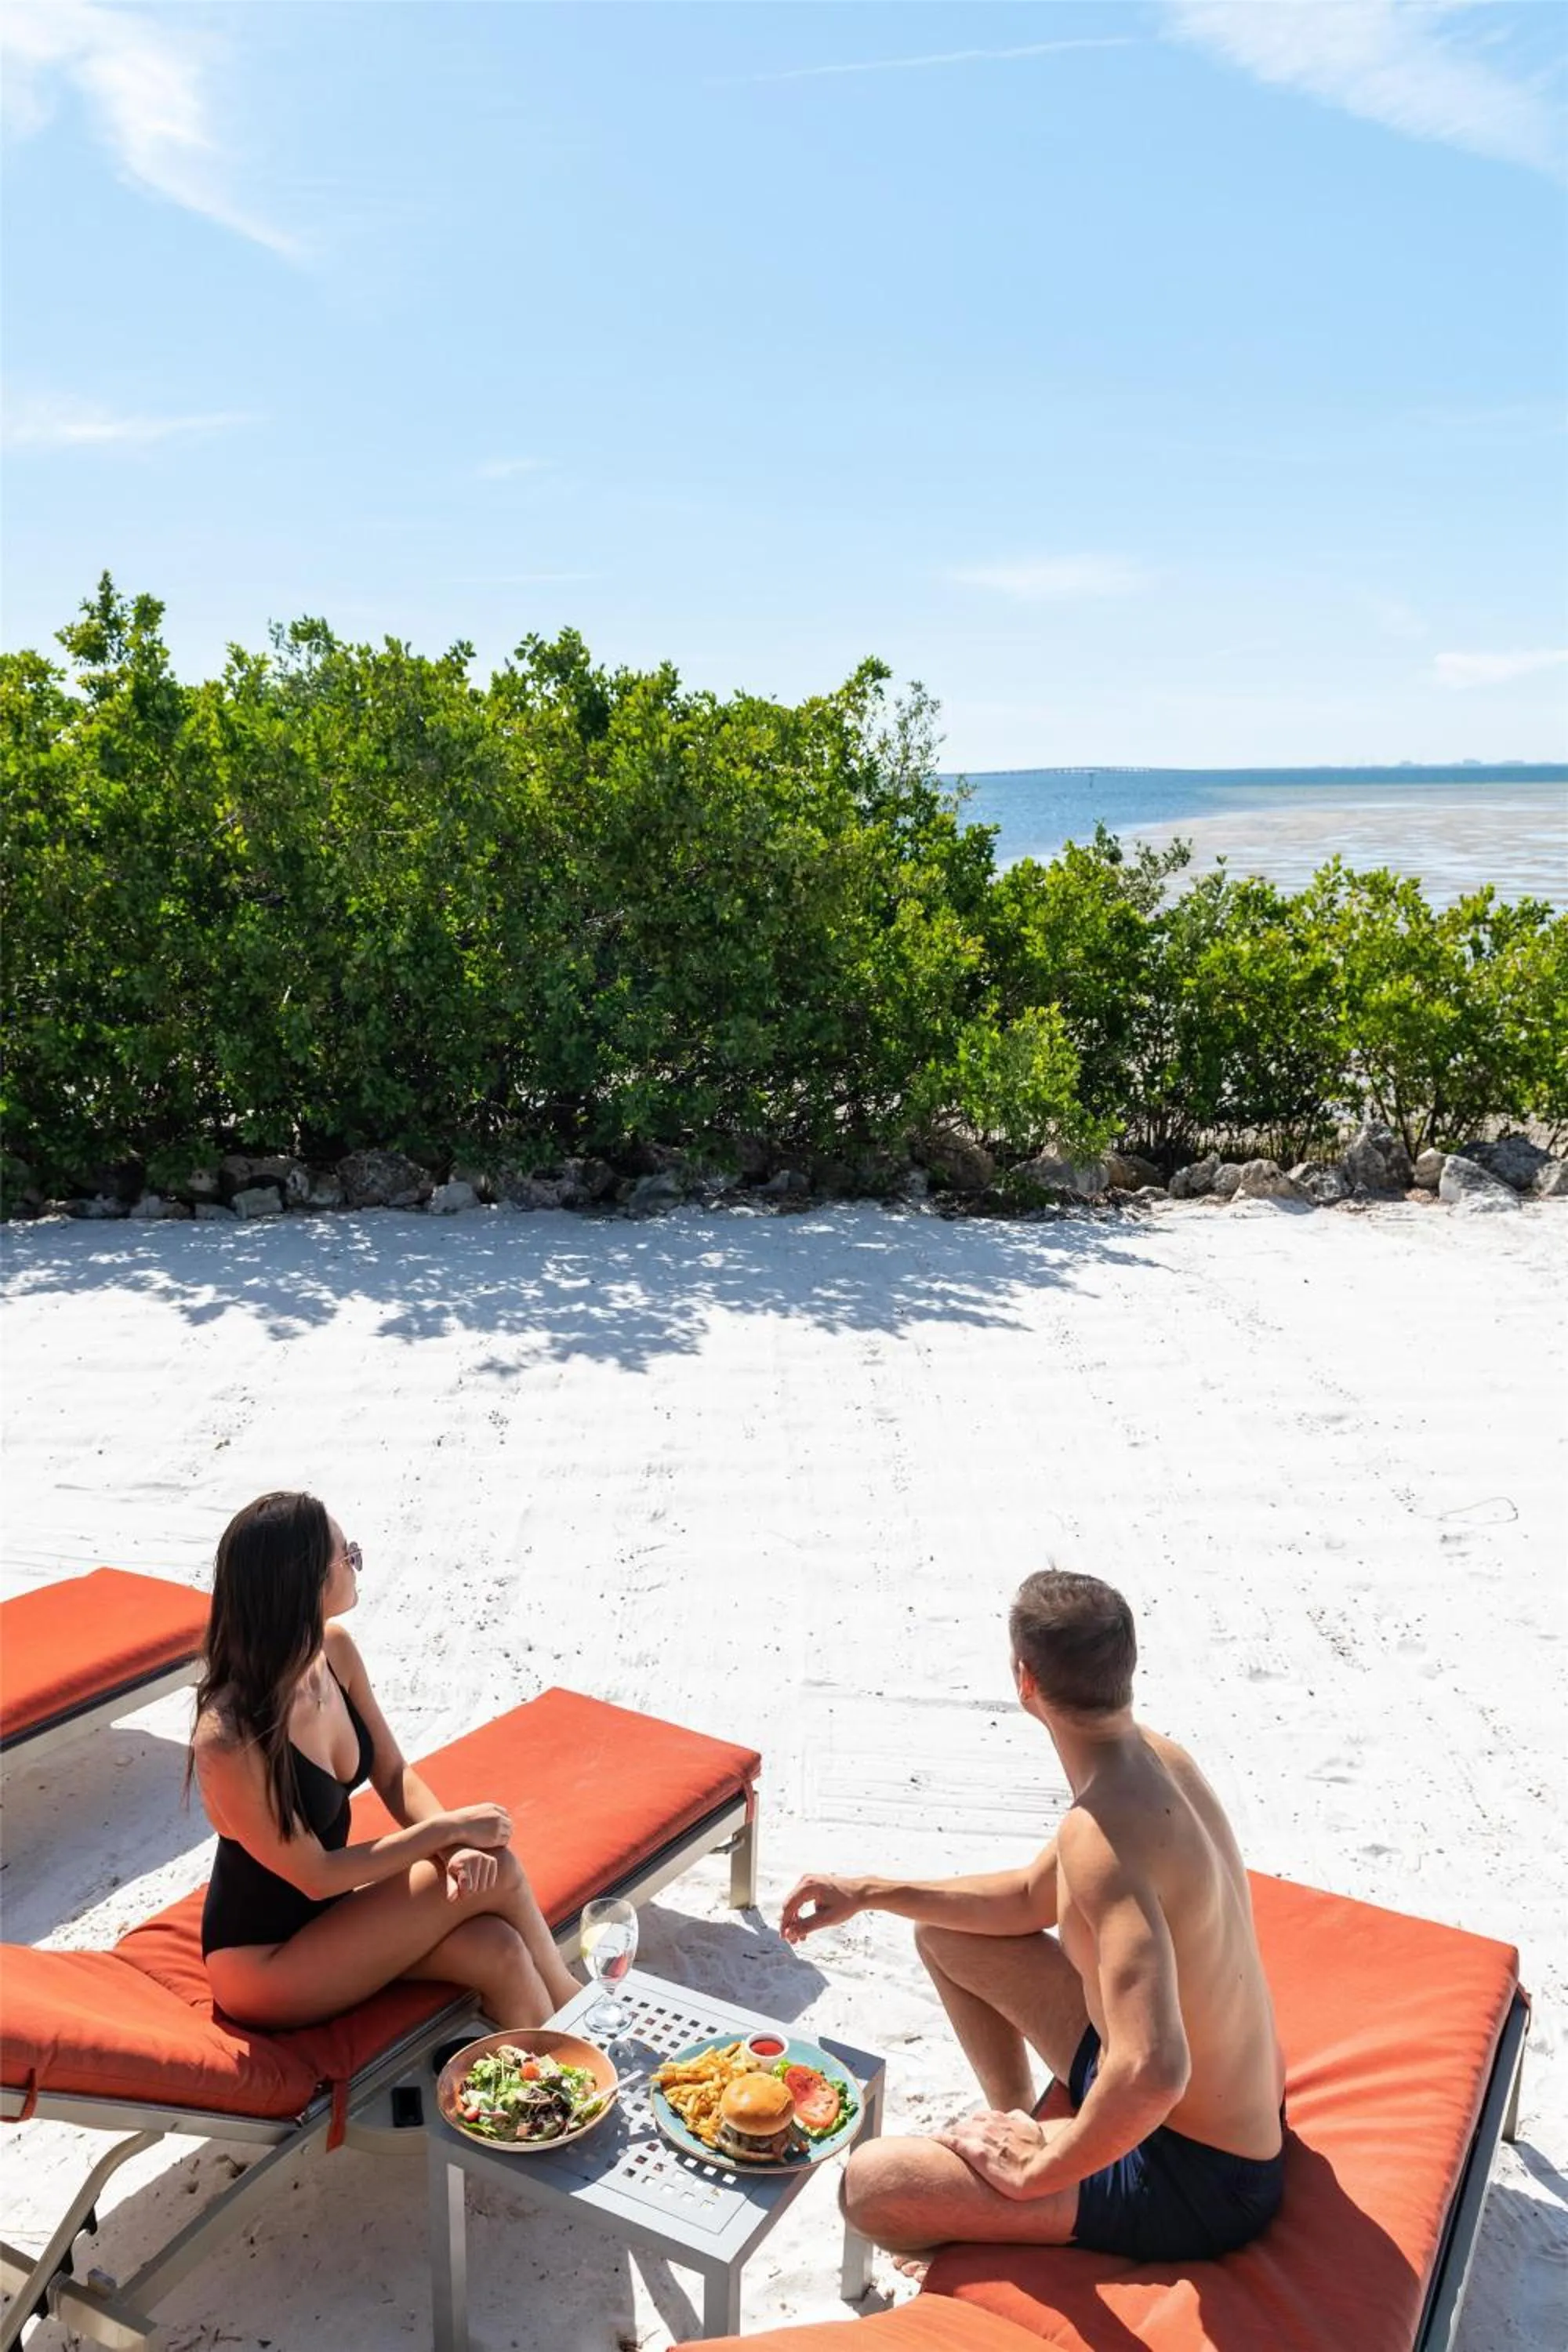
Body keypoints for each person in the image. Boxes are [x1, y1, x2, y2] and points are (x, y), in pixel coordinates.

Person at [781, 1569, 1286, 2263]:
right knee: (948, 1935)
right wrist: (871, 1891)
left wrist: (1035, 2173)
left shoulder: (1102, 1834)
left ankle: (1019, 2174)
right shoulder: (1153, 1759)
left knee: (872, 2188)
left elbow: (1156, 2071)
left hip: (1197, 2174)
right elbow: (1026, 1900)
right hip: (1201, 2106)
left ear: (1025, 1682)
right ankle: (1015, 2116)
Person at [189, 1491, 578, 2031]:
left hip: (333, 1924)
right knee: (501, 1871)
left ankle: (555, 2089)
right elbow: (317, 1876)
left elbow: (394, 1776)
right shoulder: (228, 1736)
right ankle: (581, 2013)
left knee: (499, 1950)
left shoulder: (335, 1651)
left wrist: (456, 1848)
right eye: (346, 1556)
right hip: (265, 1968)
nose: (355, 1565)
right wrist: (449, 1832)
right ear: (303, 1584)